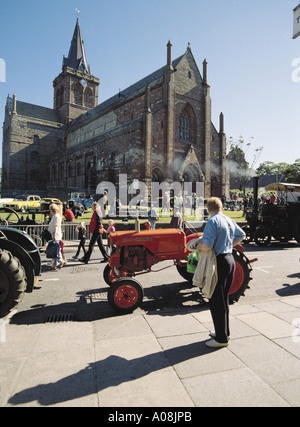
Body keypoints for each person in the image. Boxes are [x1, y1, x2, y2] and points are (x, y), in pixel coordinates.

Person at [200, 197, 245, 348]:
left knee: (216, 299)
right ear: (220, 207)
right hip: (230, 259)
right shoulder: (228, 219)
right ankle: (225, 332)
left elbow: (207, 246)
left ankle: (221, 339)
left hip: (219, 261)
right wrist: (229, 245)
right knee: (224, 298)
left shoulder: (212, 221)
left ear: (208, 208)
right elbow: (241, 235)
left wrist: (196, 247)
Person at [48, 203, 64, 270]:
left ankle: (58, 262)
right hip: (55, 235)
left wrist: (54, 235)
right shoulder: (56, 216)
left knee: (54, 250)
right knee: (56, 250)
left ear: (52, 210)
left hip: (55, 235)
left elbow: (56, 227)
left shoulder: (56, 217)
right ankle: (57, 263)